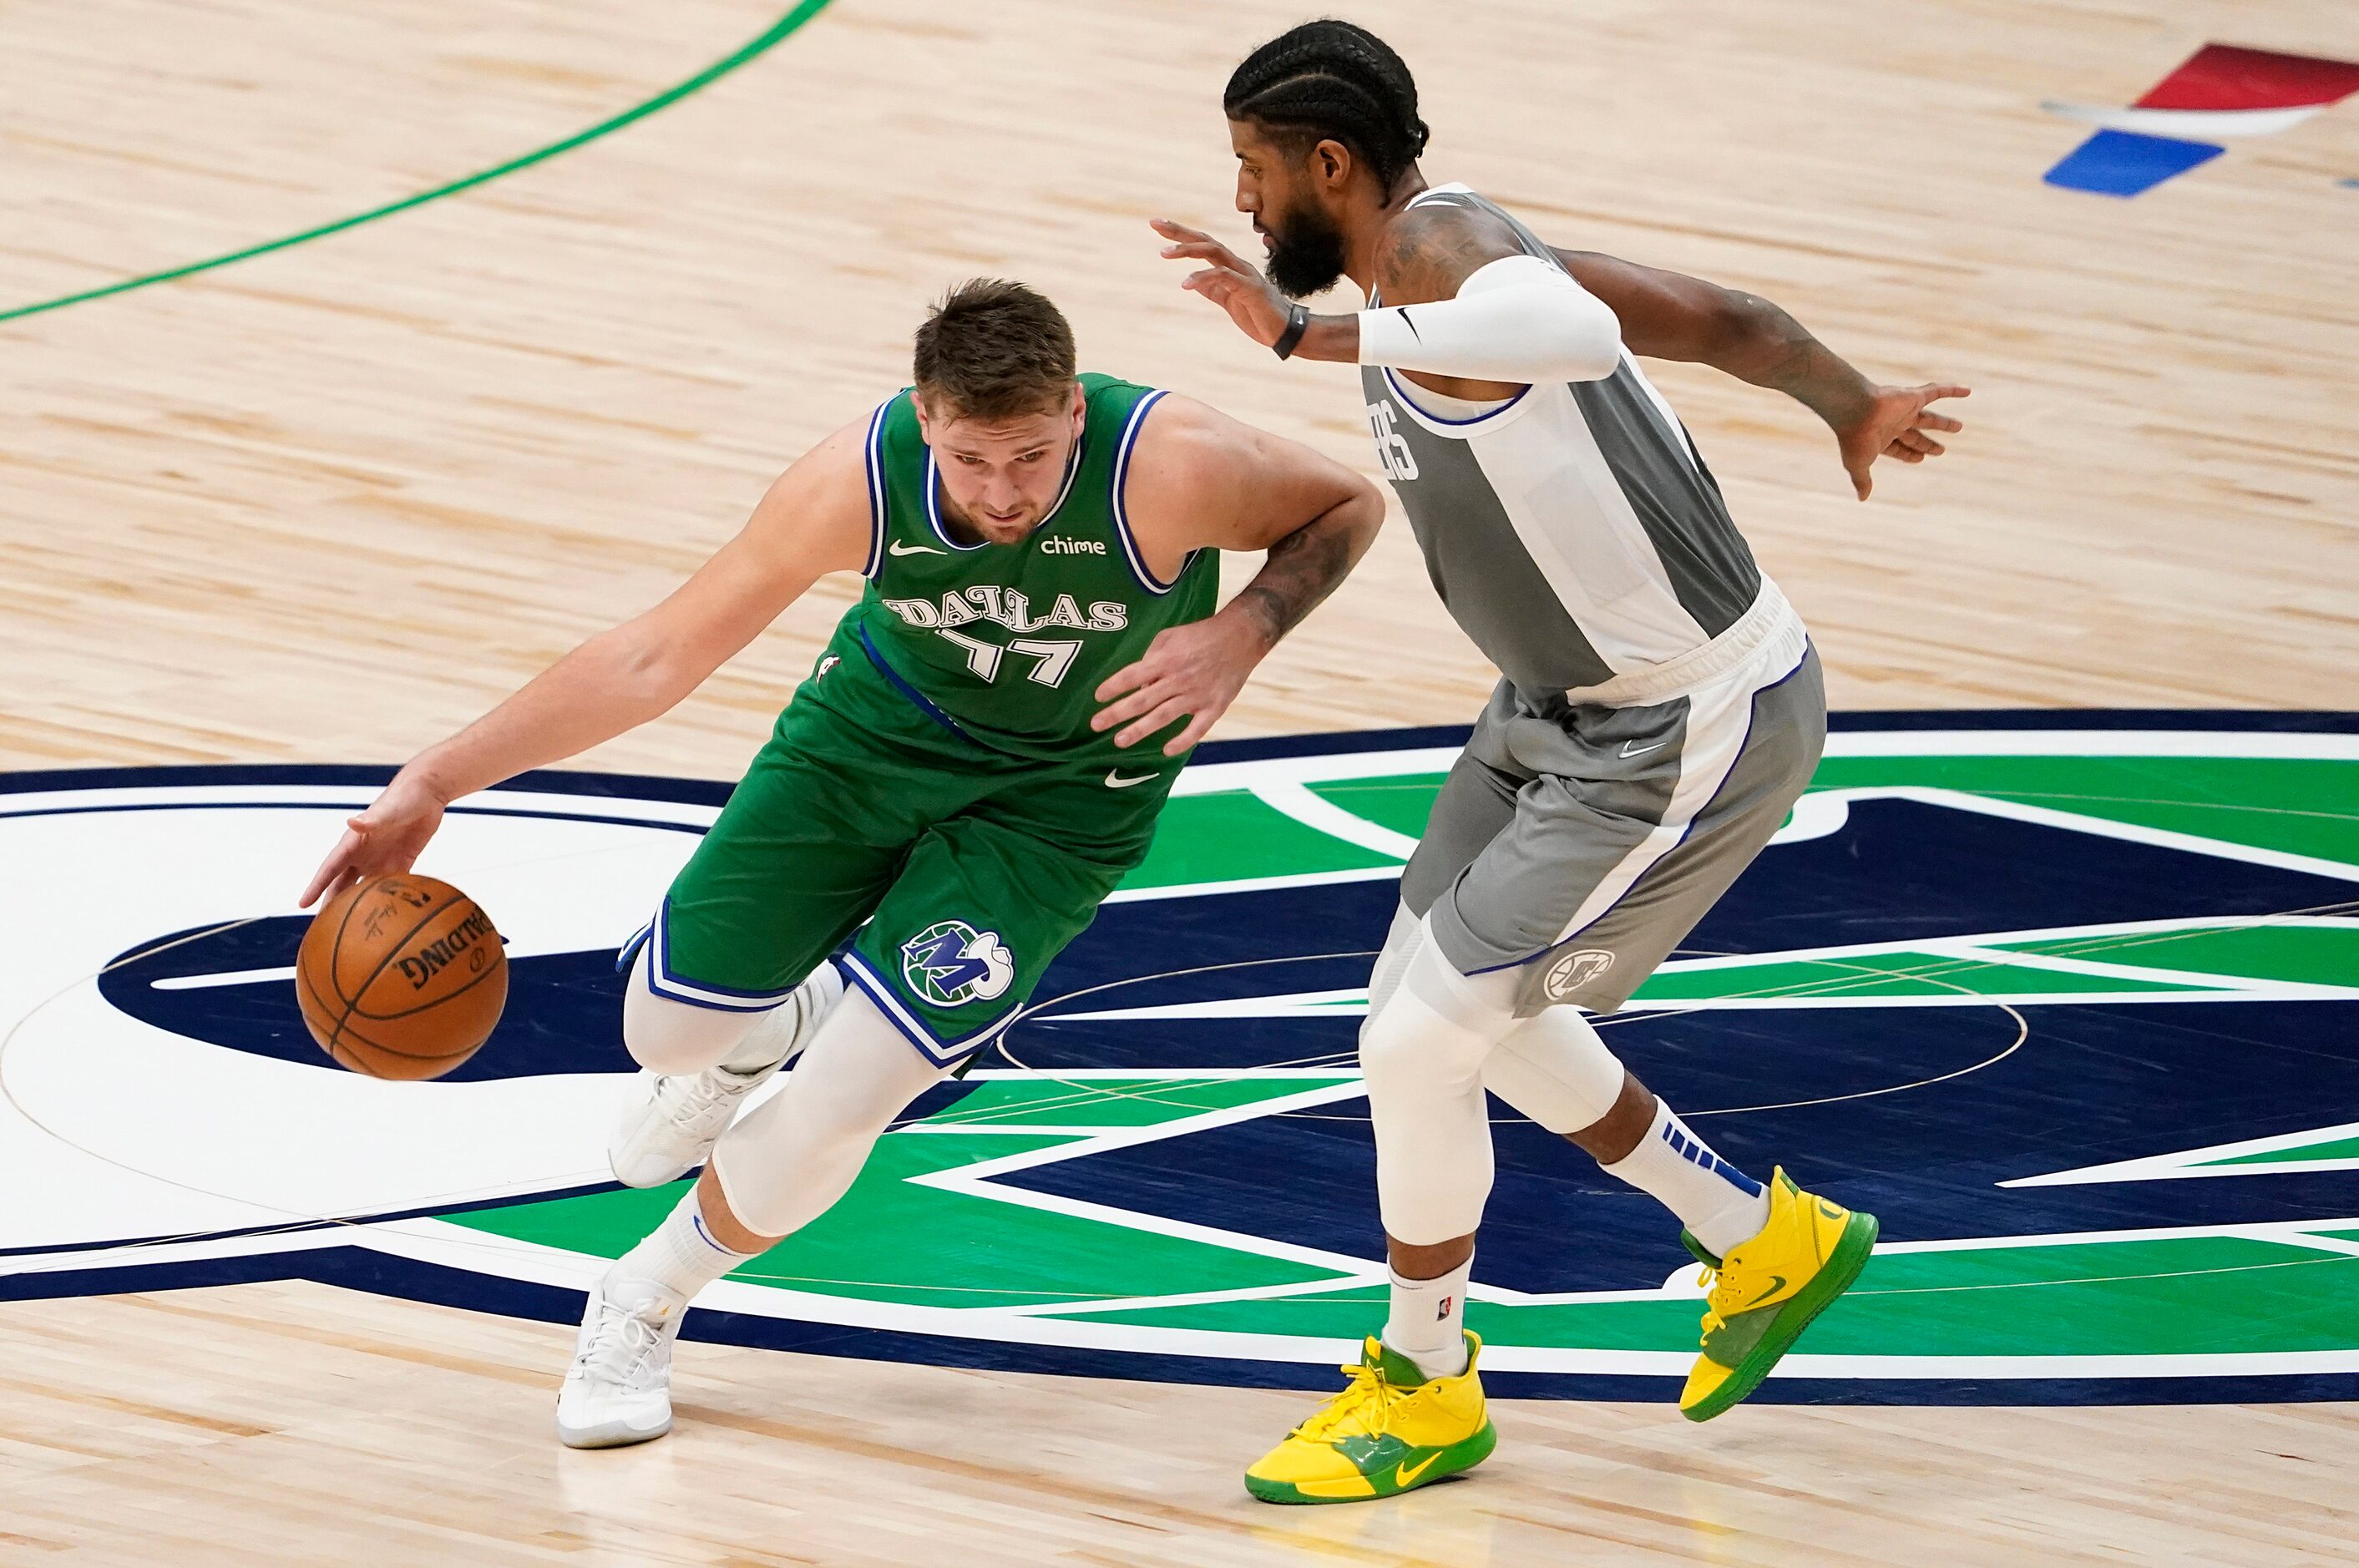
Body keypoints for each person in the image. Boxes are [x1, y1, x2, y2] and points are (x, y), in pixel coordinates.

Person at [301, 278, 1385, 1449]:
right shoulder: (855, 479)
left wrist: (1244, 628)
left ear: (1074, 409)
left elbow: (1345, 504)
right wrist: (434, 778)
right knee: (664, 1034)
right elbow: (656, 655)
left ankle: (643, 1295)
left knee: (846, 1099)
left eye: (1031, 455)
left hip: (1064, 800)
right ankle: (749, 1041)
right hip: (868, 742)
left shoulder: (1170, 463)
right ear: (927, 419)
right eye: (974, 460)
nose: (1005, 492)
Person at [1158, 20, 1972, 1503]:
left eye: (1252, 172)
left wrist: (1303, 337)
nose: (1241, 203)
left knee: (1416, 1044)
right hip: (1551, 705)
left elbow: (1581, 336)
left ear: (1328, 166)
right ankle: (1758, 1238)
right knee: (1429, 1010)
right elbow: (1722, 318)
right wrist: (1848, 398)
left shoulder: (1453, 250)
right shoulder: (1448, 256)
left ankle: (1424, 1381)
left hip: (1686, 721)